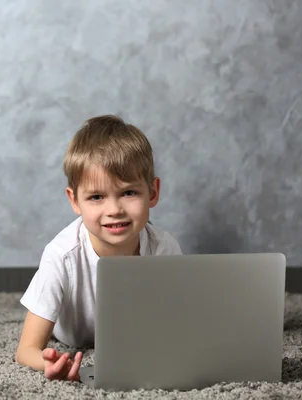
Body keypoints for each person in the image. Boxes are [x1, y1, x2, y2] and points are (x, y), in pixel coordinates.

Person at [14, 115, 183, 381]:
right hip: (74, 338)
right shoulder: (61, 255)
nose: (114, 210)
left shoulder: (163, 247)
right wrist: (48, 363)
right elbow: (26, 350)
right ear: (75, 201)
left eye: (128, 193)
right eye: (96, 197)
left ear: (152, 193)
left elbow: (177, 325)